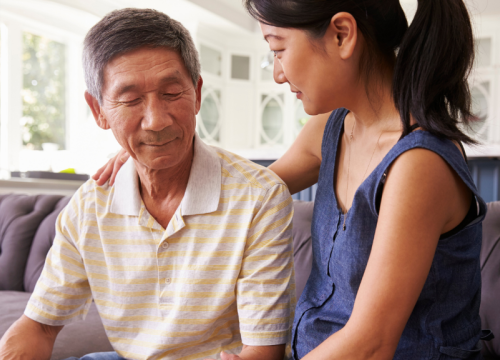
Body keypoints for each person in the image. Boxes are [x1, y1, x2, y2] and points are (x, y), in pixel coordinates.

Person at [97, 0, 491, 359]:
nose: (278, 74)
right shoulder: (332, 127)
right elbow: (241, 193)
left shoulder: (419, 163)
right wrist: (154, 153)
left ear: (342, 34)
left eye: (278, 49)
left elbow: (371, 343)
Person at [0, 8, 295, 360]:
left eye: (172, 93)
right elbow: (40, 325)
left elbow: (263, 352)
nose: (156, 121)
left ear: (198, 94)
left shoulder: (259, 198)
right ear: (98, 111)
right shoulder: (89, 207)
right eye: (130, 99)